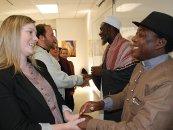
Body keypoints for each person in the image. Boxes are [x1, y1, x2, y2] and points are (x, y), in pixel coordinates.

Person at [79, 11, 173, 130]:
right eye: (136, 33)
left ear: (160, 43)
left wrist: (90, 124)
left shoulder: (168, 82)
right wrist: (101, 104)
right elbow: (126, 94)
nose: (133, 38)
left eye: (141, 35)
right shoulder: (141, 66)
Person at [0, 15, 85, 130]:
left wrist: (67, 113)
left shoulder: (40, 66)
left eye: (35, 34)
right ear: (13, 35)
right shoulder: (3, 77)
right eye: (30, 32)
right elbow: (15, 126)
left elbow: (56, 95)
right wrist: (63, 127)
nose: (35, 39)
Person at [91, 15, 137, 121]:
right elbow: (108, 68)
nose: (100, 33)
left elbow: (127, 75)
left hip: (120, 101)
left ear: (111, 29)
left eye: (102, 29)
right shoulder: (109, 47)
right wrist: (94, 73)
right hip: (110, 98)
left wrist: (102, 72)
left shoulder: (126, 46)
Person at [32, 24, 88, 99]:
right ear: (42, 37)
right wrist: (80, 79)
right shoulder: (40, 56)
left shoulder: (44, 53)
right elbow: (59, 80)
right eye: (51, 35)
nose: (54, 38)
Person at [50, 45, 75, 110]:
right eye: (63, 53)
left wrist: (72, 89)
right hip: (58, 88)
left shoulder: (68, 62)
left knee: (69, 106)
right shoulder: (50, 62)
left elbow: (71, 75)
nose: (64, 55)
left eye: (66, 53)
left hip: (67, 88)